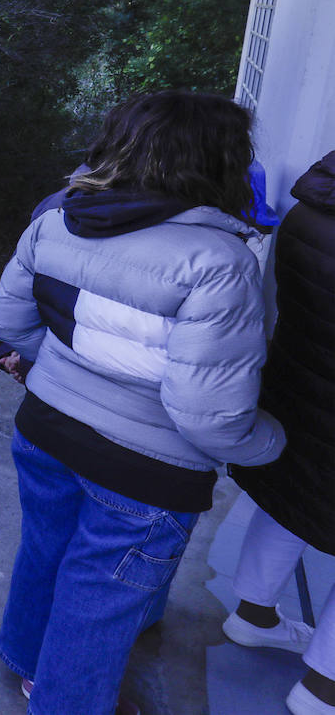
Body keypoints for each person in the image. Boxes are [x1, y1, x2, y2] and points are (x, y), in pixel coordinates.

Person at [0, 90, 287, 715]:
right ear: (221, 161)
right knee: (101, 593)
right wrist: (270, 442)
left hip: (44, 428)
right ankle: (64, 699)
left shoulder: (57, 220)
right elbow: (207, 412)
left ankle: (24, 655)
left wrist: (59, 369)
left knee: (47, 547)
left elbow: (6, 320)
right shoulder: (219, 261)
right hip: (145, 472)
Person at [226, 150, 335, 715]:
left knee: (291, 500)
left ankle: (253, 614)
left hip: (300, 387)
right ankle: (322, 689)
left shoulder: (310, 206)